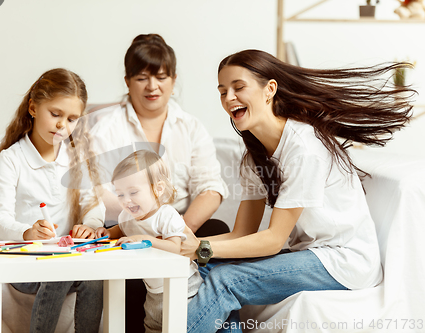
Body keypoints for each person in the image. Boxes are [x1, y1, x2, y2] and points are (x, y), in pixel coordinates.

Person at [181, 50, 415, 333]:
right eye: (222, 92)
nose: (229, 98)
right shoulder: (254, 156)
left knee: (225, 280)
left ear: (269, 90)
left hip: (343, 260)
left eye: (238, 87)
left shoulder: (303, 148)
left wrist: (200, 248)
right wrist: (185, 248)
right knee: (206, 270)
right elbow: (242, 233)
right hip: (310, 253)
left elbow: (272, 240)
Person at [89, 33, 229, 330]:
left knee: (218, 232)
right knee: (127, 248)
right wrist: (145, 224)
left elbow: (211, 187)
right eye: (142, 78)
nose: (153, 86)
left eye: (161, 77)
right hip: (132, 220)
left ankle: (210, 321)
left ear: (173, 80)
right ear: (127, 81)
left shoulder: (191, 127)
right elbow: (101, 191)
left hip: (181, 222)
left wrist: (179, 230)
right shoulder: (107, 128)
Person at [0, 68, 104, 333]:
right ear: (33, 108)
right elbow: (0, 219)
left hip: (65, 258)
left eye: (72, 119)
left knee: (93, 277)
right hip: (23, 261)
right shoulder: (12, 159)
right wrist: (27, 232)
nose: (63, 126)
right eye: (56, 114)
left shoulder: (74, 158)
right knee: (59, 270)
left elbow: (93, 203)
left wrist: (90, 224)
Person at [95, 150, 203, 333]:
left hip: (183, 289)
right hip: (154, 292)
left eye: (133, 192)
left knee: (177, 328)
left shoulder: (166, 215)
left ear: (158, 189)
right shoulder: (126, 216)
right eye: (120, 194)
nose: (126, 201)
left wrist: (147, 240)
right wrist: (107, 231)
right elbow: (122, 229)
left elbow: (176, 248)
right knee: (152, 327)